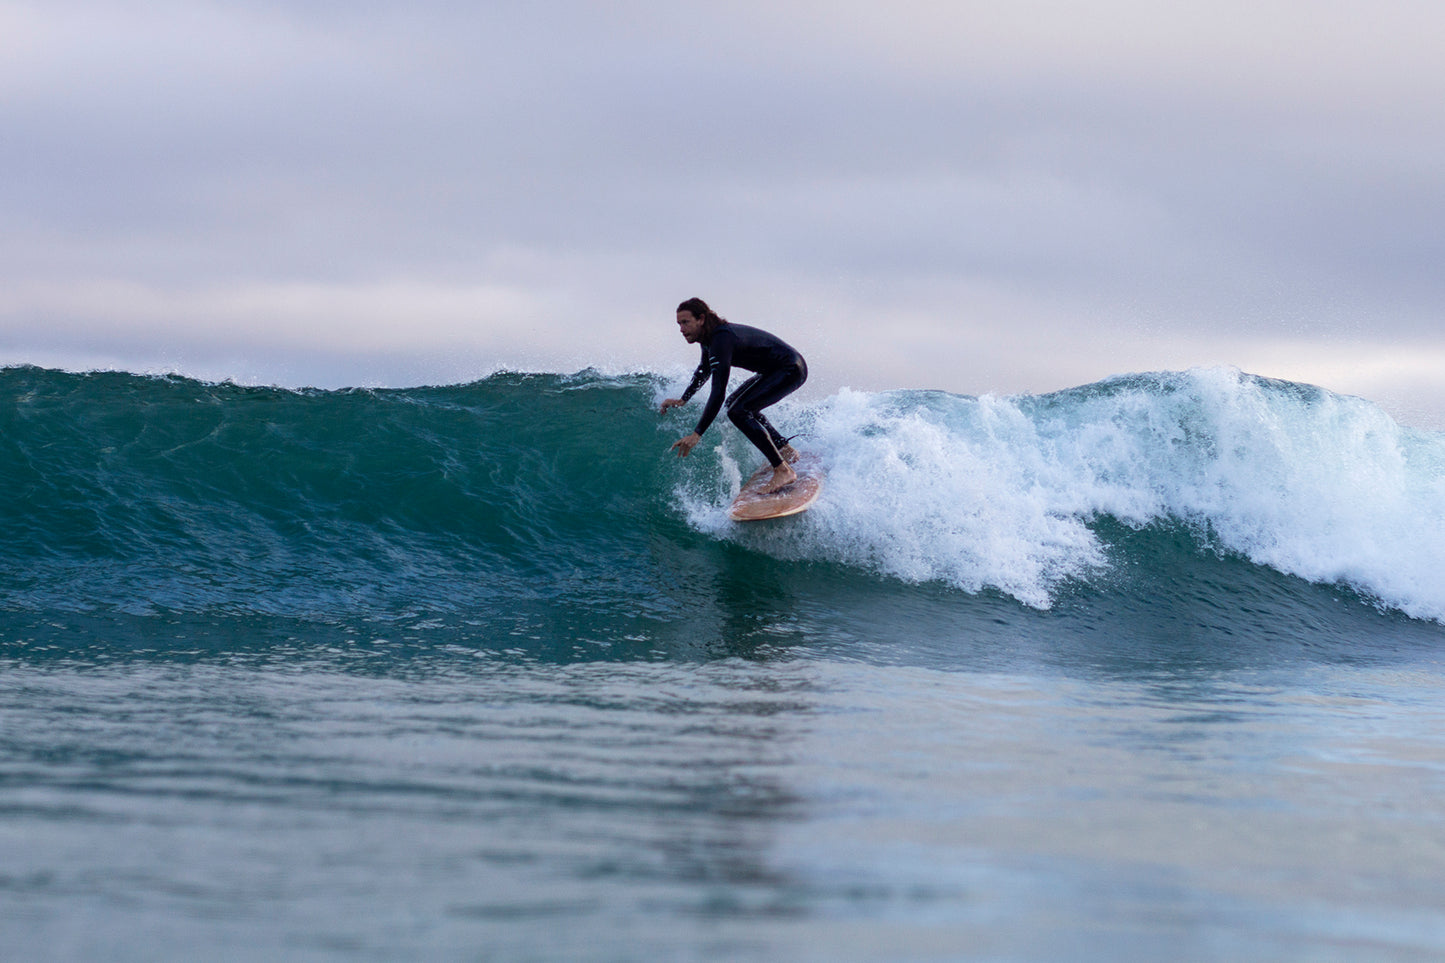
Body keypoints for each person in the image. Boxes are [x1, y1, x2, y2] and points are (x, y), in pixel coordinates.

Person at [660, 297, 808, 493]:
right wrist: (683, 399)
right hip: (775, 370)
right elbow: (704, 370)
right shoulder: (709, 340)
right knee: (736, 405)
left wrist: (697, 434)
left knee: (739, 411)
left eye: (685, 322)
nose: (681, 329)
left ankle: (783, 470)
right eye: (679, 324)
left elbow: (718, 390)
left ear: (701, 319)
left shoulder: (721, 339)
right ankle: (785, 450)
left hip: (789, 368)